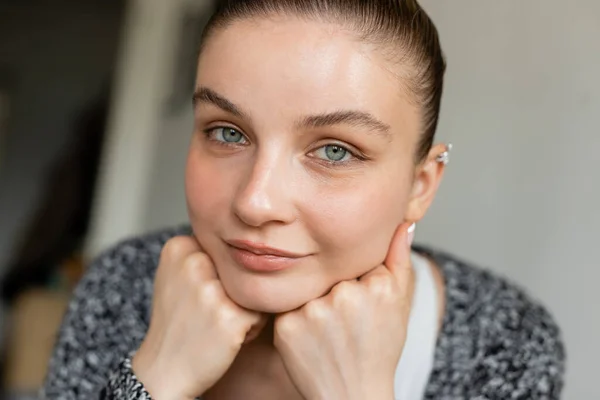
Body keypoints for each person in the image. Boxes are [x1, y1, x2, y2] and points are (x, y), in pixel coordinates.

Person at [41, 1, 565, 399]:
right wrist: (154, 376)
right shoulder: (121, 283)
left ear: (419, 185)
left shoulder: (504, 336)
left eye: (335, 150)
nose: (256, 202)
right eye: (227, 133)